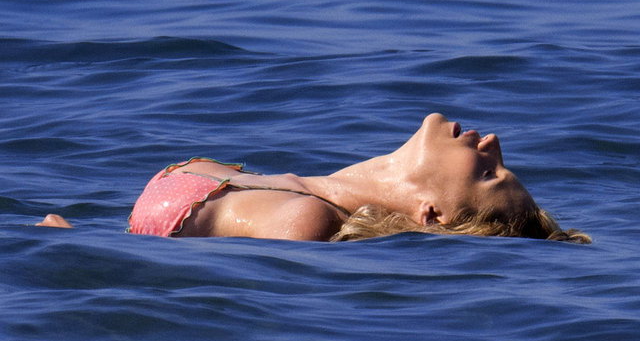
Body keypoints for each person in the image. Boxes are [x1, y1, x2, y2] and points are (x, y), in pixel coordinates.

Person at [36, 113, 591, 244]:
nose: (492, 141)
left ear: (432, 214)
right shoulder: (303, 191)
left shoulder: (306, 221)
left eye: (489, 174)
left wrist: (69, 243)